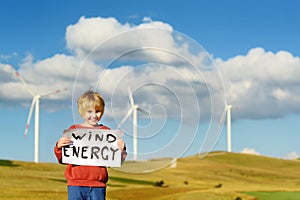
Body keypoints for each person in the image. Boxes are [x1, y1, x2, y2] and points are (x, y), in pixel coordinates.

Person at [54, 90, 127, 200]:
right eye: (89, 112)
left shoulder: (107, 133)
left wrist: (121, 151)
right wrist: (59, 146)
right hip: (75, 184)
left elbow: (114, 160)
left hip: (98, 185)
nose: (94, 115)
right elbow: (62, 158)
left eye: (97, 111)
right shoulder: (73, 131)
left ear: (102, 111)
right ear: (82, 112)